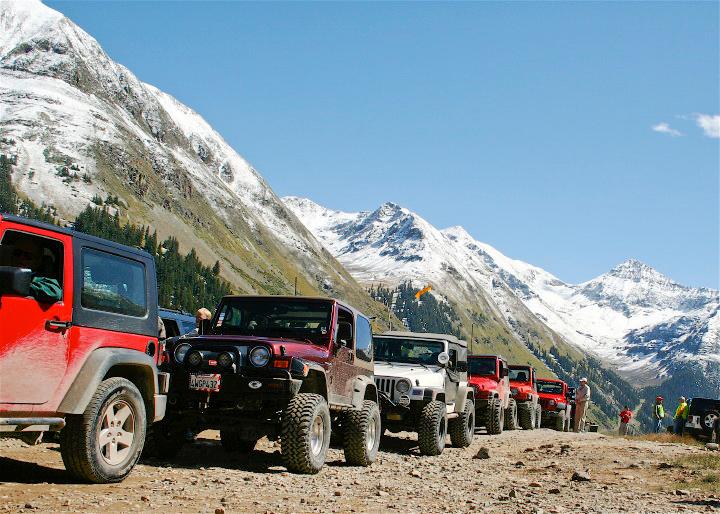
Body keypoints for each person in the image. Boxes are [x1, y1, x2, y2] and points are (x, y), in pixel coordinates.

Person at [11, 237, 62, 303]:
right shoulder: (6, 271)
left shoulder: (40, 278)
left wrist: (21, 286)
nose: (21, 258)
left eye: (28, 256)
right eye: (17, 253)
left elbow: (54, 293)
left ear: (37, 262)